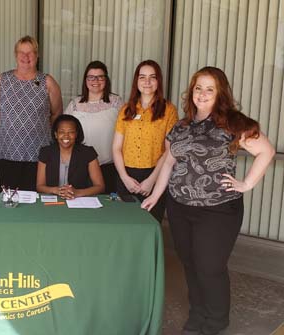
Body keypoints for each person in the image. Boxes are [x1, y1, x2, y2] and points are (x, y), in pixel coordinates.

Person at [141, 67, 276, 335]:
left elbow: (266, 151)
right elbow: (169, 161)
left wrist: (246, 184)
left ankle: (216, 317)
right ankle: (197, 312)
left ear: (220, 93)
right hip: (179, 207)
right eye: (198, 88)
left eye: (209, 89)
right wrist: (155, 196)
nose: (202, 94)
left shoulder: (233, 123)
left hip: (218, 210)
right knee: (190, 262)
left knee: (209, 266)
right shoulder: (181, 126)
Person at [0, 35, 63, 190]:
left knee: (36, 197)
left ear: (37, 56)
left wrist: (39, 128)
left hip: (39, 152)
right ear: (16, 55)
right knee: (9, 196)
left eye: (30, 53)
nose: (25, 57)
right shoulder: (2, 80)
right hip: (6, 150)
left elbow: (57, 114)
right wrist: (11, 125)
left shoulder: (48, 82)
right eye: (21, 52)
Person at [112, 60, 178, 222]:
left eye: (152, 77)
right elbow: (116, 148)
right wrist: (124, 177)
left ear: (158, 81)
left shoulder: (169, 110)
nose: (147, 82)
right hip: (126, 174)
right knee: (124, 223)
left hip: (155, 173)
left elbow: (170, 150)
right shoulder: (126, 109)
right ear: (136, 81)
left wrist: (152, 180)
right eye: (142, 77)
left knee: (150, 222)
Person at [65, 61, 124, 193]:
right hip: (80, 166)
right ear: (85, 80)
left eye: (100, 77)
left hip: (109, 166)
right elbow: (64, 132)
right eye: (91, 77)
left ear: (106, 79)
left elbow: (127, 131)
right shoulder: (75, 104)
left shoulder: (116, 102)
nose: (95, 80)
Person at [36, 114, 105, 199]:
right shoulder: (45, 152)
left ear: (76, 134)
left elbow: (100, 186)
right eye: (62, 132)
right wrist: (56, 190)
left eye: (71, 132)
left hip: (79, 201)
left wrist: (77, 192)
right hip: (53, 201)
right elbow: (39, 186)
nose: (66, 136)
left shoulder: (88, 153)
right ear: (56, 134)